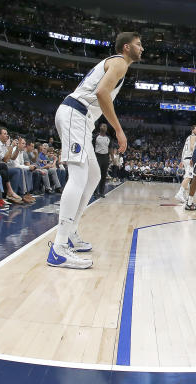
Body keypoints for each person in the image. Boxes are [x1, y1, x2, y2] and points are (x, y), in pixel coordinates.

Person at [48, 31, 141, 269]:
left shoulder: (117, 64)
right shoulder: (120, 62)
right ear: (127, 47)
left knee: (94, 175)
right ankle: (58, 249)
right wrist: (119, 130)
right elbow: (101, 92)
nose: (143, 49)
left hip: (81, 118)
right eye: (139, 45)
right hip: (75, 114)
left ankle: (70, 233)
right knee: (79, 177)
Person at [175, 125, 196, 204]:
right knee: (189, 177)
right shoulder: (193, 136)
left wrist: (181, 161)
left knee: (187, 178)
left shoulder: (188, 137)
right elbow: (191, 148)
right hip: (190, 158)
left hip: (185, 158)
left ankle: (185, 196)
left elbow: (184, 150)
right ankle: (180, 194)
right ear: (192, 130)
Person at [94, 123, 110, 198]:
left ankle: (101, 192)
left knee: (103, 176)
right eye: (103, 126)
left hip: (105, 157)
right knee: (97, 175)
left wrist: (111, 159)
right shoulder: (96, 136)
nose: (104, 127)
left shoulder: (108, 138)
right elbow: (91, 146)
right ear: (100, 127)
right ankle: (95, 192)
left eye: (105, 126)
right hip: (97, 156)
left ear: (106, 129)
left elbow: (110, 149)